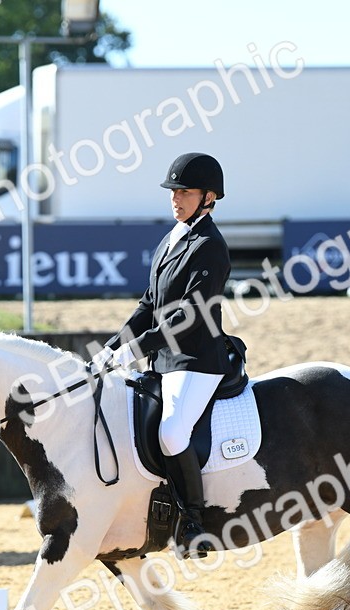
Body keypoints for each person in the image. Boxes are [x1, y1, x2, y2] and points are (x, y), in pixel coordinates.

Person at [92, 152, 233, 558]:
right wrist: (113, 347)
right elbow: (148, 305)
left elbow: (187, 316)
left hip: (196, 361)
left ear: (209, 197)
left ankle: (193, 522)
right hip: (163, 362)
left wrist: (135, 351)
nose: (176, 198)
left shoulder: (210, 246)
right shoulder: (171, 239)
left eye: (185, 192)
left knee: (172, 432)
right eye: (174, 191)